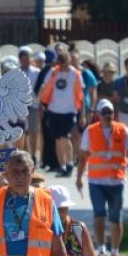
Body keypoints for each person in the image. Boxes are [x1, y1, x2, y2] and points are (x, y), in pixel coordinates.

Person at [74, 100, 128, 256]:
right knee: (99, 215)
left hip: (116, 181)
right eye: (104, 112)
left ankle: (115, 252)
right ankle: (102, 250)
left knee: (116, 218)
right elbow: (83, 157)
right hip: (96, 181)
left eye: (110, 112)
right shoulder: (90, 131)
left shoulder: (122, 130)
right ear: (97, 114)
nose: (107, 115)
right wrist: (79, 178)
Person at [38, 47, 86, 176]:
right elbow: (45, 86)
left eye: (64, 63)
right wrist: (41, 102)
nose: (62, 66)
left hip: (69, 111)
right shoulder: (54, 72)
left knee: (66, 137)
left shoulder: (75, 74)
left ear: (69, 61)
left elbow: (81, 96)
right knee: (58, 139)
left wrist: (82, 114)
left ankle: (70, 163)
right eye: (60, 63)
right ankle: (62, 166)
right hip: (53, 110)